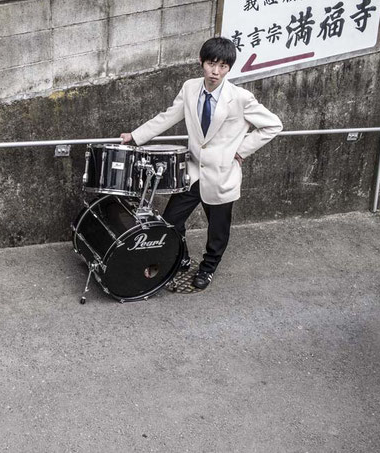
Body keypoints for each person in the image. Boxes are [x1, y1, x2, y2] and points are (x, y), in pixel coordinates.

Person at [120, 37, 282, 290]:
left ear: (229, 68)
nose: (215, 72)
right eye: (211, 64)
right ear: (201, 62)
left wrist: (242, 149)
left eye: (223, 66)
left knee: (217, 231)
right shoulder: (190, 88)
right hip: (193, 171)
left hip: (221, 175)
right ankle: (181, 258)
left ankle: (207, 269)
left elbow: (273, 124)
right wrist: (136, 136)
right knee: (171, 221)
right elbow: (168, 117)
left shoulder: (240, 98)